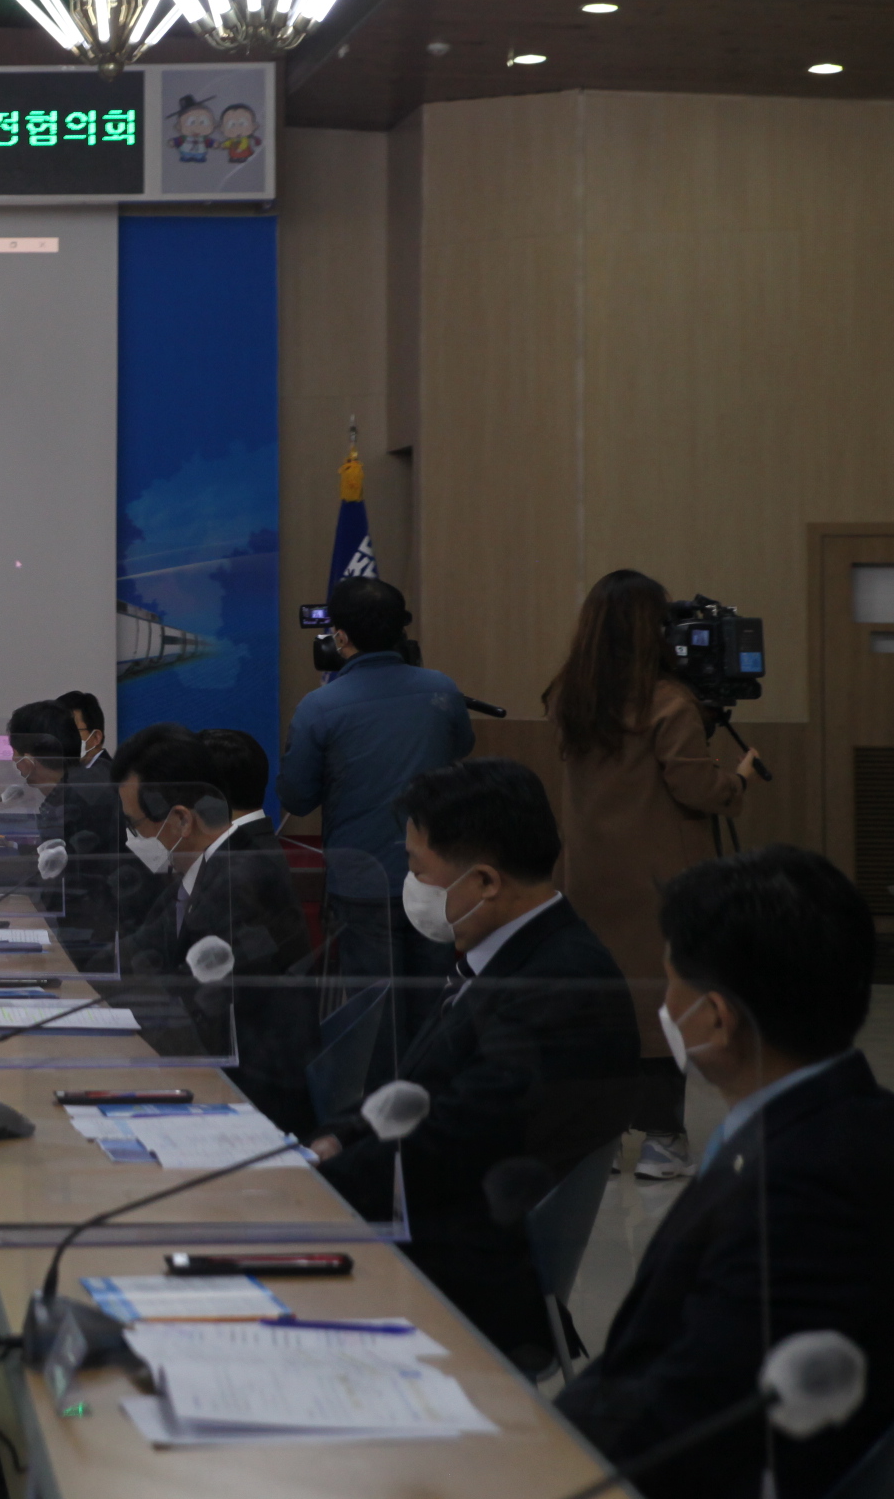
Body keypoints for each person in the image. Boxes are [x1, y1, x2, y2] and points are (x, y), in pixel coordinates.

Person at [557, 846, 894, 1499]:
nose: (664, 1002)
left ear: (715, 1017)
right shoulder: (830, 1123)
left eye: (670, 980)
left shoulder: (809, 1189)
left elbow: (695, 1413)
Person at [309, 758, 639, 1370]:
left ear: (484, 880)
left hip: (461, 1283)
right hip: (422, 1230)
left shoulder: (561, 986)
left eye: (418, 869)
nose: (410, 883)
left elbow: (452, 1148)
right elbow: (412, 1096)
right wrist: (332, 1141)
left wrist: (306, 1191)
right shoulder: (496, 950)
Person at [546, 568, 768, 1182]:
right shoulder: (669, 701)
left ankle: (600, 1138)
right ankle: (663, 1142)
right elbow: (694, 786)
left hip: (588, 877)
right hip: (658, 884)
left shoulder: (568, 696)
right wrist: (738, 779)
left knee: (603, 1007)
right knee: (660, 1007)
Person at [276, 575, 475, 1012]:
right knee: (433, 1009)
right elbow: (461, 747)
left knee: (375, 1016)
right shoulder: (442, 690)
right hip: (437, 876)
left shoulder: (319, 707)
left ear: (341, 637)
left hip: (361, 880)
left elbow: (297, 798)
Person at [114, 725, 315, 1133]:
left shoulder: (238, 886)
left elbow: (195, 1014)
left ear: (181, 819)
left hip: (245, 1104)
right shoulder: (207, 870)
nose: (135, 838)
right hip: (209, 1074)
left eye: (136, 825)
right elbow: (139, 952)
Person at [7, 699, 133, 970]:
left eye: (14, 753)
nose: (13, 761)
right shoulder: (77, 787)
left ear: (28, 760)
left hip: (92, 943)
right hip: (87, 929)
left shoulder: (78, 799)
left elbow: (54, 871)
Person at [56, 690, 109, 777]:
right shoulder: (67, 775)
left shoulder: (109, 778)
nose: (63, 738)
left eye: (71, 731)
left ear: (96, 737)